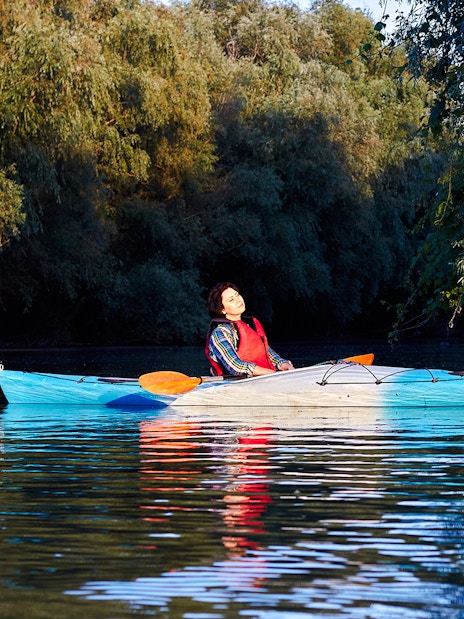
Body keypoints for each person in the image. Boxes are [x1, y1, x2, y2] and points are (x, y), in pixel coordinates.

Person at [205, 282, 294, 377]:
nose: (238, 300)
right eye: (231, 300)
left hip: (264, 378)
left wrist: (284, 364)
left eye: (237, 295)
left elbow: (269, 355)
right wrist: (271, 373)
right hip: (235, 385)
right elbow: (235, 366)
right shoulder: (220, 333)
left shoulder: (250, 327)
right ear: (222, 310)